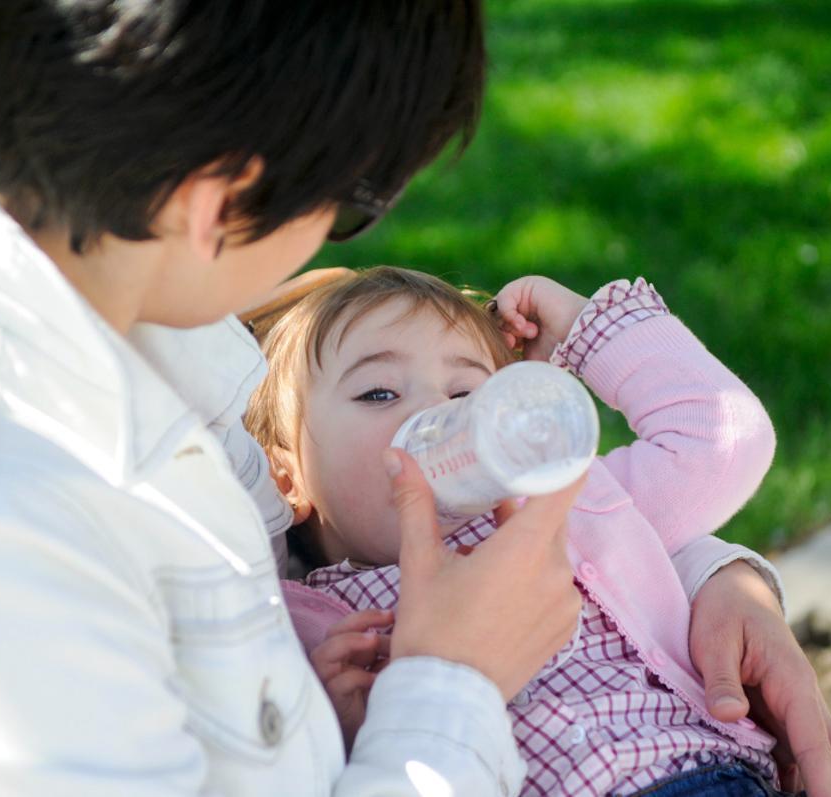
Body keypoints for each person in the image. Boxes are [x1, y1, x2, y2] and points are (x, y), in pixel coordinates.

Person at [0, 2, 831, 796]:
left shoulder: (135, 323)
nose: (335, 243)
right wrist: (451, 680)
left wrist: (718, 583)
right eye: (350, 201)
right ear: (219, 201)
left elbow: (594, 521)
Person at [244, 266, 792, 795]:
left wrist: (583, 327)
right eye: (379, 393)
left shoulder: (562, 510)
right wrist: (339, 725)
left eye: (466, 396)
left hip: (704, 770)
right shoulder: (303, 624)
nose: (438, 410)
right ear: (287, 479)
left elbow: (720, 440)